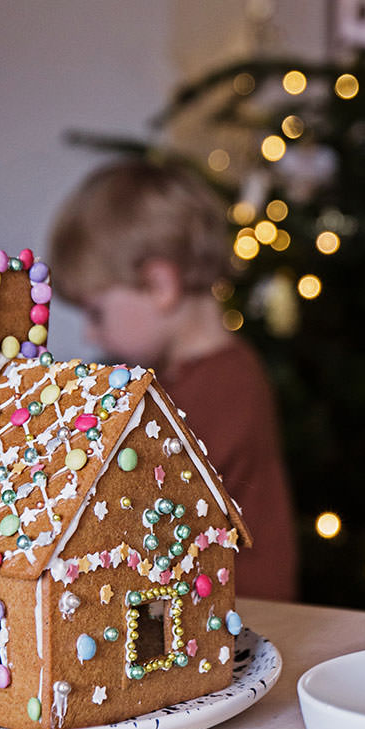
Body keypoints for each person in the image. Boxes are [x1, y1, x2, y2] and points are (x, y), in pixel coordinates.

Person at [48, 156, 299, 600]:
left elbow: (131, 504)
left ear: (160, 286)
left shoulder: (222, 387)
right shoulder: (186, 378)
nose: (90, 333)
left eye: (96, 312)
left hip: (243, 615)